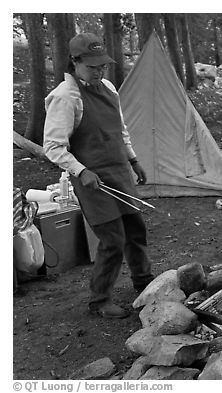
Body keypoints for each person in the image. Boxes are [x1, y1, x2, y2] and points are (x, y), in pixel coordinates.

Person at [43, 33, 154, 319]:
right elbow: (53, 147)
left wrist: (133, 159)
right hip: (92, 179)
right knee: (113, 240)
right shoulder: (65, 97)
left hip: (119, 170)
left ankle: (144, 283)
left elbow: (121, 129)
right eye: (92, 66)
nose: (99, 71)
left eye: (101, 65)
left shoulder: (108, 88)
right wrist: (82, 171)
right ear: (75, 62)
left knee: (135, 230)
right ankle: (99, 300)